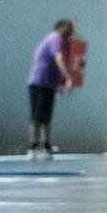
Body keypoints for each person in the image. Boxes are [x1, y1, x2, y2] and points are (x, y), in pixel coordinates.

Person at [25, 18, 75, 160]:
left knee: (46, 117)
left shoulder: (60, 42)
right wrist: (68, 77)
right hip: (39, 82)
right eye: (70, 28)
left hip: (48, 84)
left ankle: (46, 145)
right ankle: (33, 146)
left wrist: (58, 83)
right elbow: (58, 59)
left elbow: (53, 65)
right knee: (37, 116)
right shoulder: (54, 38)